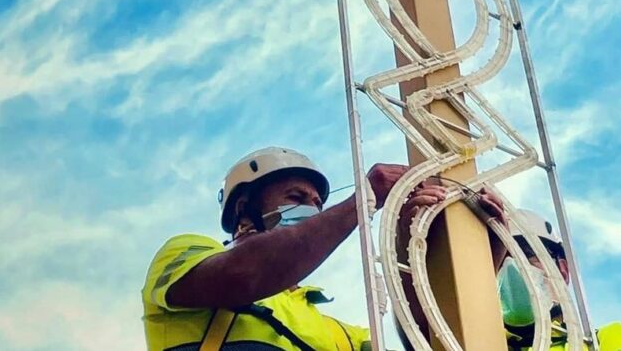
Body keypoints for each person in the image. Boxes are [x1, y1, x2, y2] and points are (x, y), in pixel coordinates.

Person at [142, 146, 475, 351]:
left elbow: (430, 341)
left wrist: (409, 237)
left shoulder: (341, 336)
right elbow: (244, 274)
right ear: (244, 207)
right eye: (296, 198)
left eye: (317, 203)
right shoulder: (184, 253)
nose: (313, 211)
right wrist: (362, 201)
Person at [497, 209, 621, 351]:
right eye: (500, 259)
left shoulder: (608, 340)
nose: (512, 265)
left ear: (562, 271)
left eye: (526, 253)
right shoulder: (482, 341)